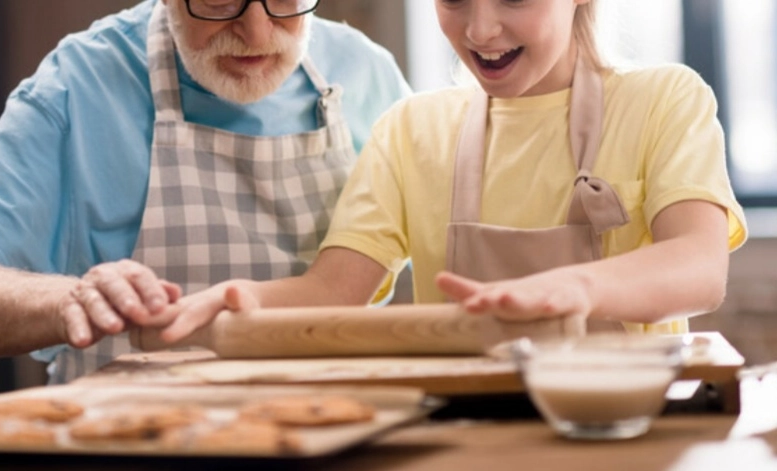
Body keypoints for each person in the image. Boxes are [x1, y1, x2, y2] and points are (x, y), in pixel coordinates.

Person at [155, 0, 747, 344]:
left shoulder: (663, 100)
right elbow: (332, 292)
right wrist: (241, 299)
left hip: (628, 429)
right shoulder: (410, 129)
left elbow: (697, 269)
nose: (480, 30)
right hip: (462, 433)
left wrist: (576, 288)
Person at [0, 0, 411, 383]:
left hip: (332, 430)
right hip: (124, 444)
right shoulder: (80, 83)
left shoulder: (367, 71)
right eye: (219, 2)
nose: (258, 33)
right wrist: (65, 302)